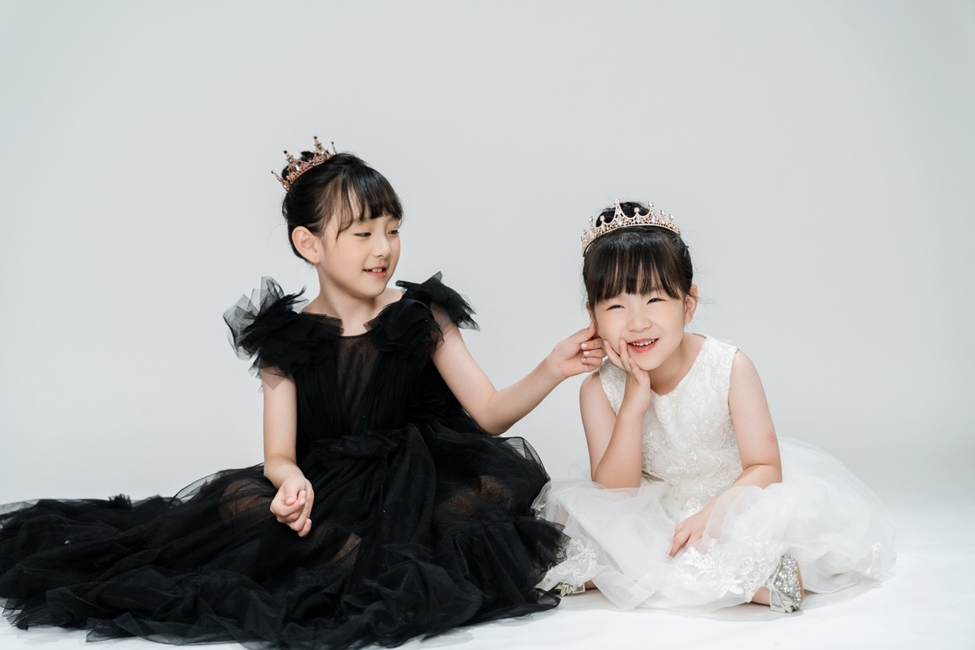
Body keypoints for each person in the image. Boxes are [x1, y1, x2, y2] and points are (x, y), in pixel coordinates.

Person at [0, 138, 603, 648]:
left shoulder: (422, 314)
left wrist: (551, 368)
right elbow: (279, 454)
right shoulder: (286, 339)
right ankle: (336, 548)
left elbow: (490, 414)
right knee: (243, 512)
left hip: (415, 477)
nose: (383, 248)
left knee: (471, 513)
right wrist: (289, 482)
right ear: (309, 244)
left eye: (392, 230)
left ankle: (367, 552)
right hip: (327, 482)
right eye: (362, 233)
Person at [536, 200, 895, 613]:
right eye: (616, 306)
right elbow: (615, 498)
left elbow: (765, 467)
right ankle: (706, 574)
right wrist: (633, 406)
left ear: (688, 304)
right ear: (594, 316)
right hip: (650, 512)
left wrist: (713, 516)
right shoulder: (598, 390)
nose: (637, 322)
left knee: (739, 541)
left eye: (654, 300)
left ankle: (762, 571)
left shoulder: (729, 367)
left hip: (732, 498)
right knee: (591, 543)